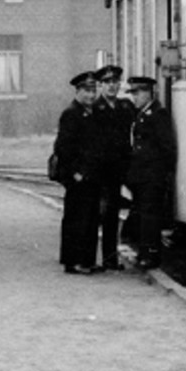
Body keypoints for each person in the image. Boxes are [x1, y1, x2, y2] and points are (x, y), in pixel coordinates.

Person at [53, 70, 104, 274]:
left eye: (93, 91)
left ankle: (87, 260)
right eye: (87, 91)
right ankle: (73, 261)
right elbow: (63, 148)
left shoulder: (92, 113)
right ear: (78, 91)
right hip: (78, 176)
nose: (91, 95)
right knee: (76, 218)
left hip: (91, 175)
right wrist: (74, 172)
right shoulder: (71, 114)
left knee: (91, 219)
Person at [125, 75, 177, 270]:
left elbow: (166, 147)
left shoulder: (157, 114)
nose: (135, 97)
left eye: (138, 93)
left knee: (150, 216)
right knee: (144, 214)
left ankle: (151, 254)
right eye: (133, 93)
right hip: (141, 176)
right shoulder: (142, 114)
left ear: (148, 93)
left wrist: (163, 172)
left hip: (152, 175)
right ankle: (144, 252)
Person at [92, 64, 134, 272]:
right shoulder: (94, 109)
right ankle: (96, 259)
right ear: (100, 86)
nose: (112, 86)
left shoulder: (125, 108)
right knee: (100, 213)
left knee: (113, 214)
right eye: (107, 83)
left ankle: (110, 258)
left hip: (119, 169)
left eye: (115, 82)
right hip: (100, 170)